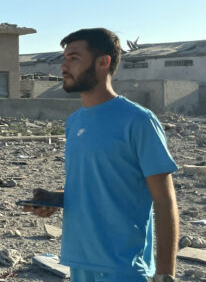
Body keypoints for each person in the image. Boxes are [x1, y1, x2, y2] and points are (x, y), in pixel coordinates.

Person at [23, 28, 179, 282]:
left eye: (74, 58)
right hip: (79, 263)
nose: (63, 66)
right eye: (64, 59)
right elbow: (98, 188)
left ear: (103, 62)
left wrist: (165, 275)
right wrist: (55, 199)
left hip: (123, 267)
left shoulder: (138, 121)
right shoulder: (74, 123)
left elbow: (164, 201)